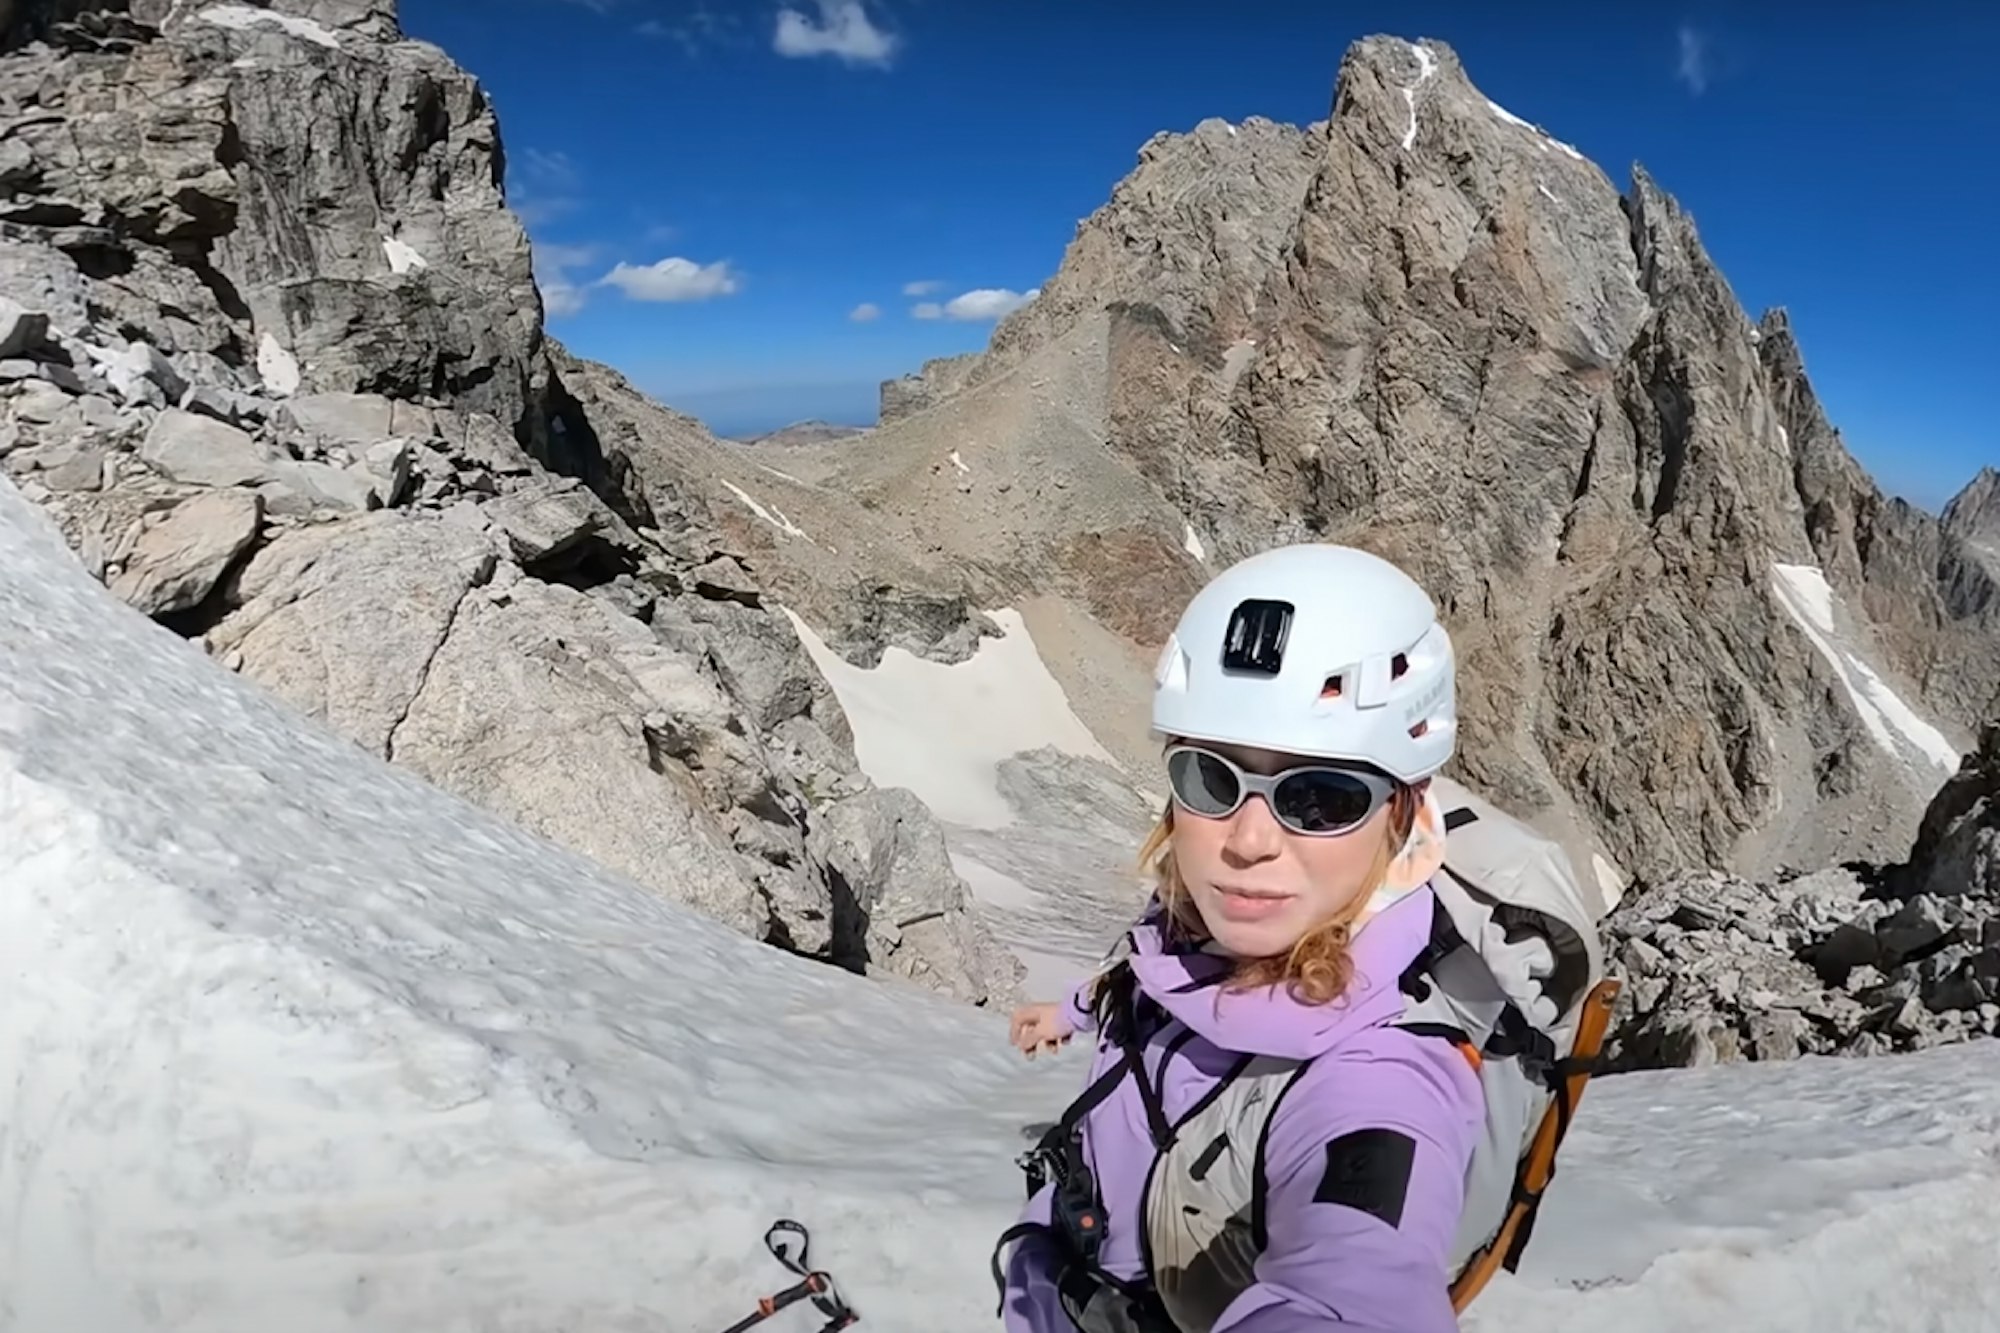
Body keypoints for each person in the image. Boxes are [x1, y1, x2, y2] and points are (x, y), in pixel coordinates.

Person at [996, 542, 1487, 1333]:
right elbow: (1149, 975)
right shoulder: (1188, 933)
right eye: (1210, 778)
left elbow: (1354, 1292)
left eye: (1322, 795)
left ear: (1403, 815)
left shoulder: (1381, 1077)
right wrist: (1070, 1010)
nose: (1248, 839)